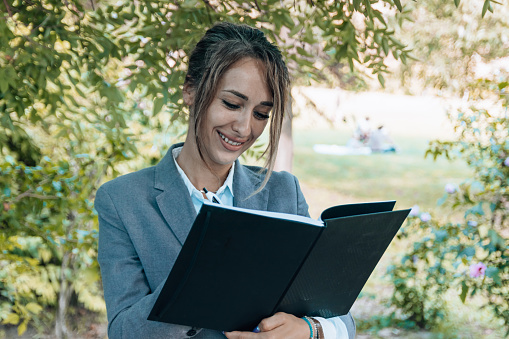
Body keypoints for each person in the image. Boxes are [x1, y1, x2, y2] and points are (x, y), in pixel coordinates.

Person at [95, 22, 356, 339]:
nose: (245, 128)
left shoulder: (284, 192)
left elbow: (340, 317)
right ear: (190, 90)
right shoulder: (123, 201)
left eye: (261, 114)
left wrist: (309, 330)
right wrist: (201, 275)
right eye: (232, 104)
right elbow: (123, 332)